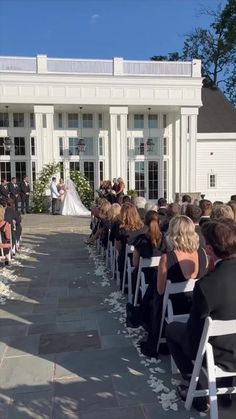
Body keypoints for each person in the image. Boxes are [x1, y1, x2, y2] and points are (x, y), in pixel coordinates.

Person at [165, 219, 236, 412]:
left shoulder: (206, 285)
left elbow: (195, 336)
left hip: (220, 355)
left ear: (210, 249)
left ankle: (192, 384)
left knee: (172, 329)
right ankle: (227, 390)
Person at [140, 215, 207, 358]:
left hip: (174, 306)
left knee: (152, 300)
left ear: (172, 233)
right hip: (195, 304)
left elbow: (160, 290)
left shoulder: (167, 258)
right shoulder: (202, 253)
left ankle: (155, 335)